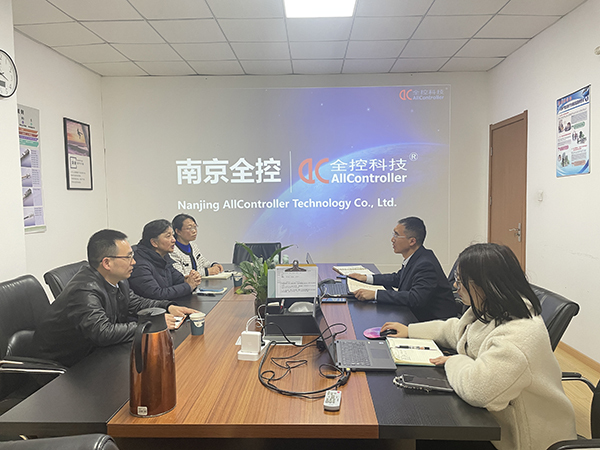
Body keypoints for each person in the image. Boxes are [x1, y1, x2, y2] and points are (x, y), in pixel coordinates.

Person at [381, 243, 577, 450]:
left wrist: (455, 361)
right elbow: (456, 330)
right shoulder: (491, 309)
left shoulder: (519, 334)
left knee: (415, 429)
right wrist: (410, 330)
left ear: (485, 284)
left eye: (460, 280)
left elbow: (478, 390)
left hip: (521, 440)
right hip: (493, 420)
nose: (455, 286)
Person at [31, 229, 197, 367]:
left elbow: (136, 303)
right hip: (66, 366)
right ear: (107, 263)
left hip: (94, 355)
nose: (134, 262)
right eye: (128, 257)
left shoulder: (118, 280)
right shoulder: (84, 290)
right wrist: (150, 325)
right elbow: (102, 332)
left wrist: (168, 307)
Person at [349, 217, 459, 321]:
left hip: (434, 323)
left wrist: (375, 294)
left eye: (396, 235)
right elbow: (398, 278)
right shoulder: (418, 257)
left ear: (412, 241)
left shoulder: (425, 264)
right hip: (416, 316)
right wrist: (366, 278)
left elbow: (415, 298)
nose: (392, 239)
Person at [129, 219, 202, 300]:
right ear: (154, 242)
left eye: (173, 235)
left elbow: (178, 280)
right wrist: (188, 286)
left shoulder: (164, 257)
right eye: (168, 236)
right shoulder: (140, 264)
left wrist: (190, 280)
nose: (174, 240)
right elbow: (156, 294)